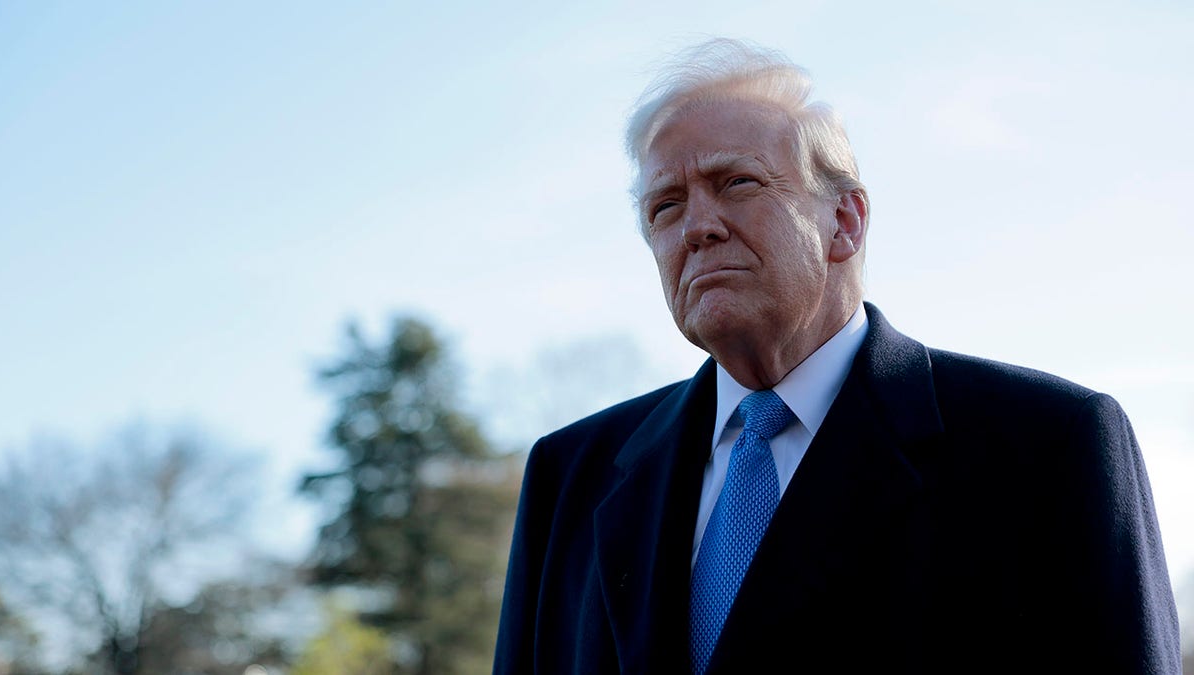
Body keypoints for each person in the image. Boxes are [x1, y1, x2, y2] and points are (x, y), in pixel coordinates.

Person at [493, 39, 1180, 674]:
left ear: (845, 221)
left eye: (737, 183)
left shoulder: (1049, 444)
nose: (698, 226)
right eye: (665, 206)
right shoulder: (569, 477)